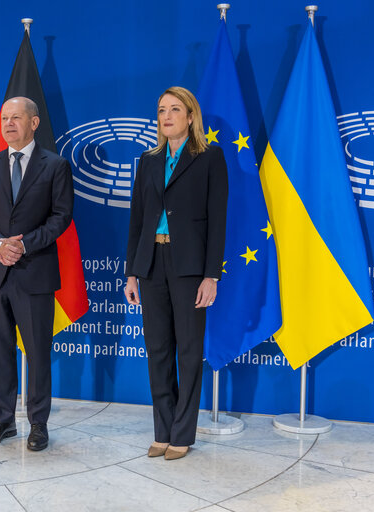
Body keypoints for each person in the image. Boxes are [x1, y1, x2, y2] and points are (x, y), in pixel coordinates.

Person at [124, 86, 228, 460]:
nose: (166, 116)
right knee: (158, 350)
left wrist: (210, 275)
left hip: (189, 268)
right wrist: (132, 272)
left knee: (188, 350)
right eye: (161, 109)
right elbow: (137, 219)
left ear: (190, 116)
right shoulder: (148, 160)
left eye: (174, 109)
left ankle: (183, 434)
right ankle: (162, 431)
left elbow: (218, 220)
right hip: (151, 263)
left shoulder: (210, 157)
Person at [0, 96, 73, 451]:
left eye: (16, 118)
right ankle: (3, 421)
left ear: (34, 123)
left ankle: (38, 424)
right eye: (4, 118)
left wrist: (24, 244)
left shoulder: (55, 165)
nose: (8, 123)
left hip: (35, 272)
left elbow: (61, 217)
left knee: (38, 352)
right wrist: (0, 245)